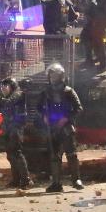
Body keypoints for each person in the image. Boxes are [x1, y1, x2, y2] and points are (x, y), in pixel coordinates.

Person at [39, 63, 84, 192]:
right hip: (52, 127)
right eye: (51, 75)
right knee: (54, 156)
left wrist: (66, 118)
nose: (53, 77)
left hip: (66, 127)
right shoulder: (46, 92)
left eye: (55, 75)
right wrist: (44, 116)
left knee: (71, 154)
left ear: (60, 76)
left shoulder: (68, 91)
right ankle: (56, 183)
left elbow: (78, 108)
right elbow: (39, 107)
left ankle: (76, 180)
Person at [67, 0, 98, 65]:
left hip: (95, 20)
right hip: (94, 20)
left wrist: (78, 9)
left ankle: (90, 60)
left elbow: (87, 7)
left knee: (85, 37)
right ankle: (92, 59)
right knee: (87, 38)